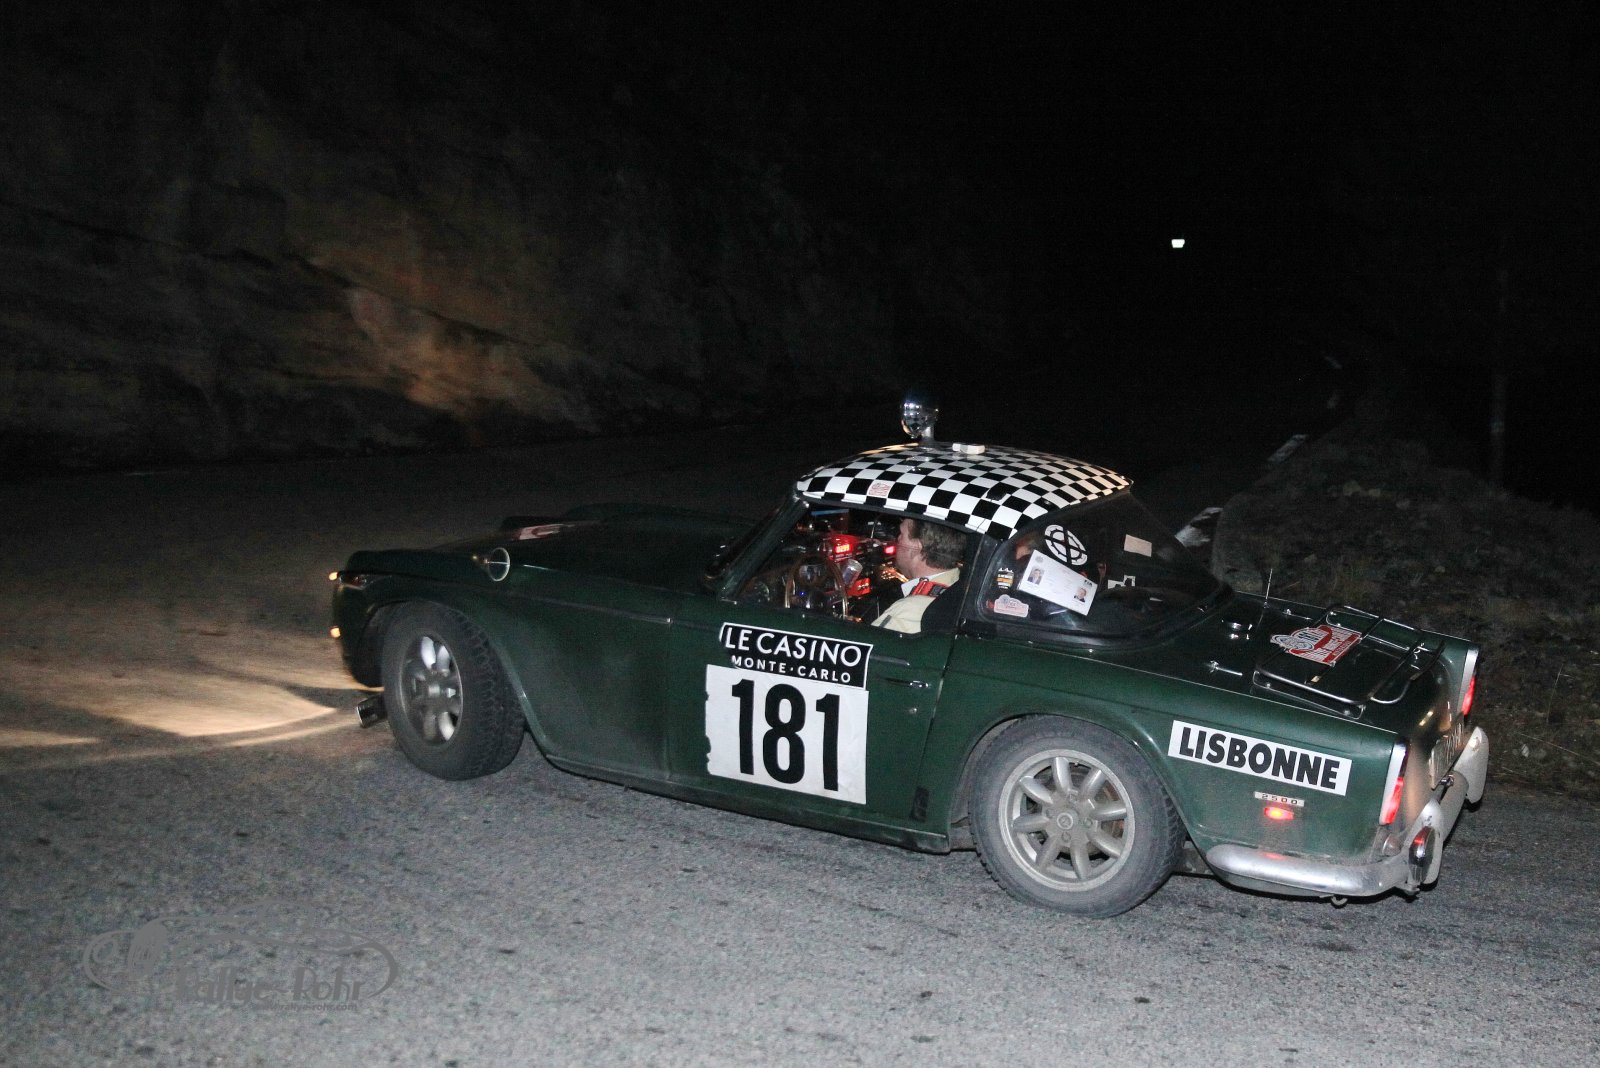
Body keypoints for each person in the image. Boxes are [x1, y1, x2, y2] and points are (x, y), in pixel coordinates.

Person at [872, 517, 964, 634]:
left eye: (901, 534)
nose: (897, 539)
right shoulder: (961, 585)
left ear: (916, 547)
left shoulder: (904, 613)